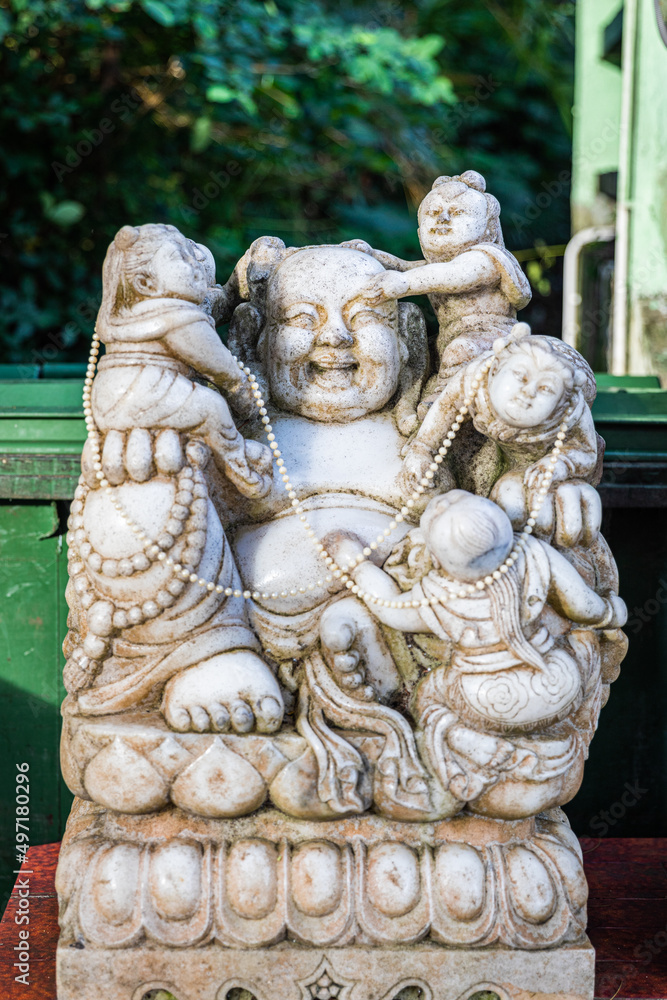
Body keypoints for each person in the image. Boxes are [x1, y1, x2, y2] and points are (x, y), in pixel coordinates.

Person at [91, 223, 271, 498]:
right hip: (147, 391)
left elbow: (212, 302)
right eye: (181, 258)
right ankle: (238, 464)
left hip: (105, 401)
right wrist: (248, 401)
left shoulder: (126, 315)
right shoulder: (179, 318)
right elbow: (222, 370)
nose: (195, 265)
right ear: (145, 283)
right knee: (212, 407)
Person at [353, 171, 531, 392]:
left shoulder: (486, 258)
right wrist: (371, 254)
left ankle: (442, 400)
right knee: (408, 355)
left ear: (488, 228)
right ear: (420, 231)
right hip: (446, 340)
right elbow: (404, 266)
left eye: (457, 212)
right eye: (434, 212)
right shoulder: (434, 267)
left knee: (461, 350)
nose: (443, 219)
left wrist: (404, 283)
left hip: (491, 339)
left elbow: (452, 275)